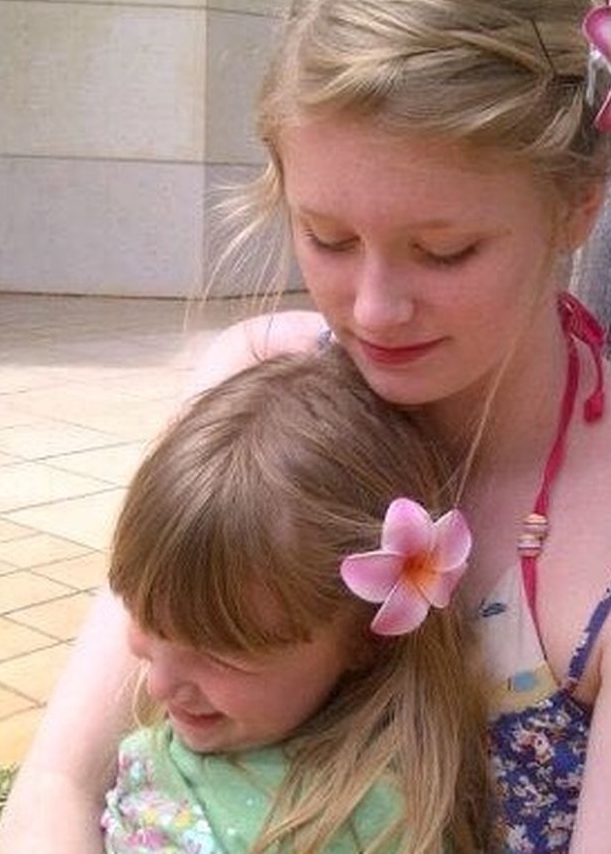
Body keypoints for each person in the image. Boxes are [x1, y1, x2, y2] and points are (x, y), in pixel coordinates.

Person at [0, 0, 611, 851]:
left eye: (445, 251)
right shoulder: (256, 386)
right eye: (328, 238)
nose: (374, 311)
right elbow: (61, 783)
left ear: (577, 206)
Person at [102, 348, 491, 852]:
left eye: (221, 656)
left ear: (362, 640)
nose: (159, 684)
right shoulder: (178, 741)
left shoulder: (368, 823)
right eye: (147, 623)